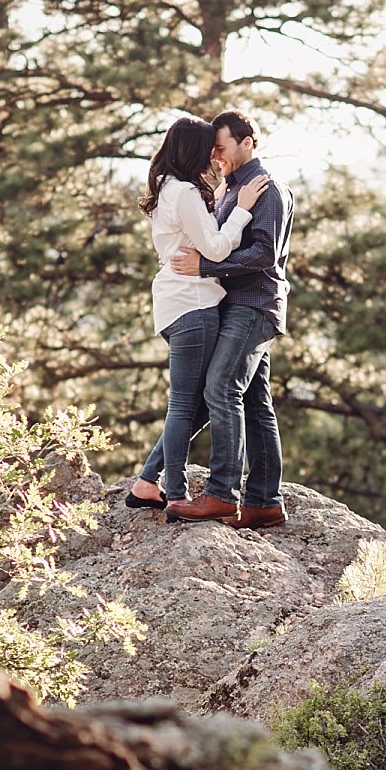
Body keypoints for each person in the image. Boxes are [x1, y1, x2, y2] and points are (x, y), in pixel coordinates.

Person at [125, 117, 268, 514]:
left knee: (199, 402)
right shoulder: (185, 192)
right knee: (187, 403)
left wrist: (220, 198)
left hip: (175, 303)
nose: (213, 155)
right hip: (194, 303)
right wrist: (240, 210)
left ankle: (145, 483)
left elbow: (196, 237)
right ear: (193, 150)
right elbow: (219, 249)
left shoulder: (168, 189)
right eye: (209, 148)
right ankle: (175, 492)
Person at [162, 109, 294, 529]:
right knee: (256, 403)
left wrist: (204, 268)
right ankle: (264, 502)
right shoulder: (230, 188)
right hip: (233, 303)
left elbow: (263, 255)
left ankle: (222, 494)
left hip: (253, 304)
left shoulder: (265, 188)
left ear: (247, 142)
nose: (214, 155)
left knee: (220, 386)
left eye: (220, 147)